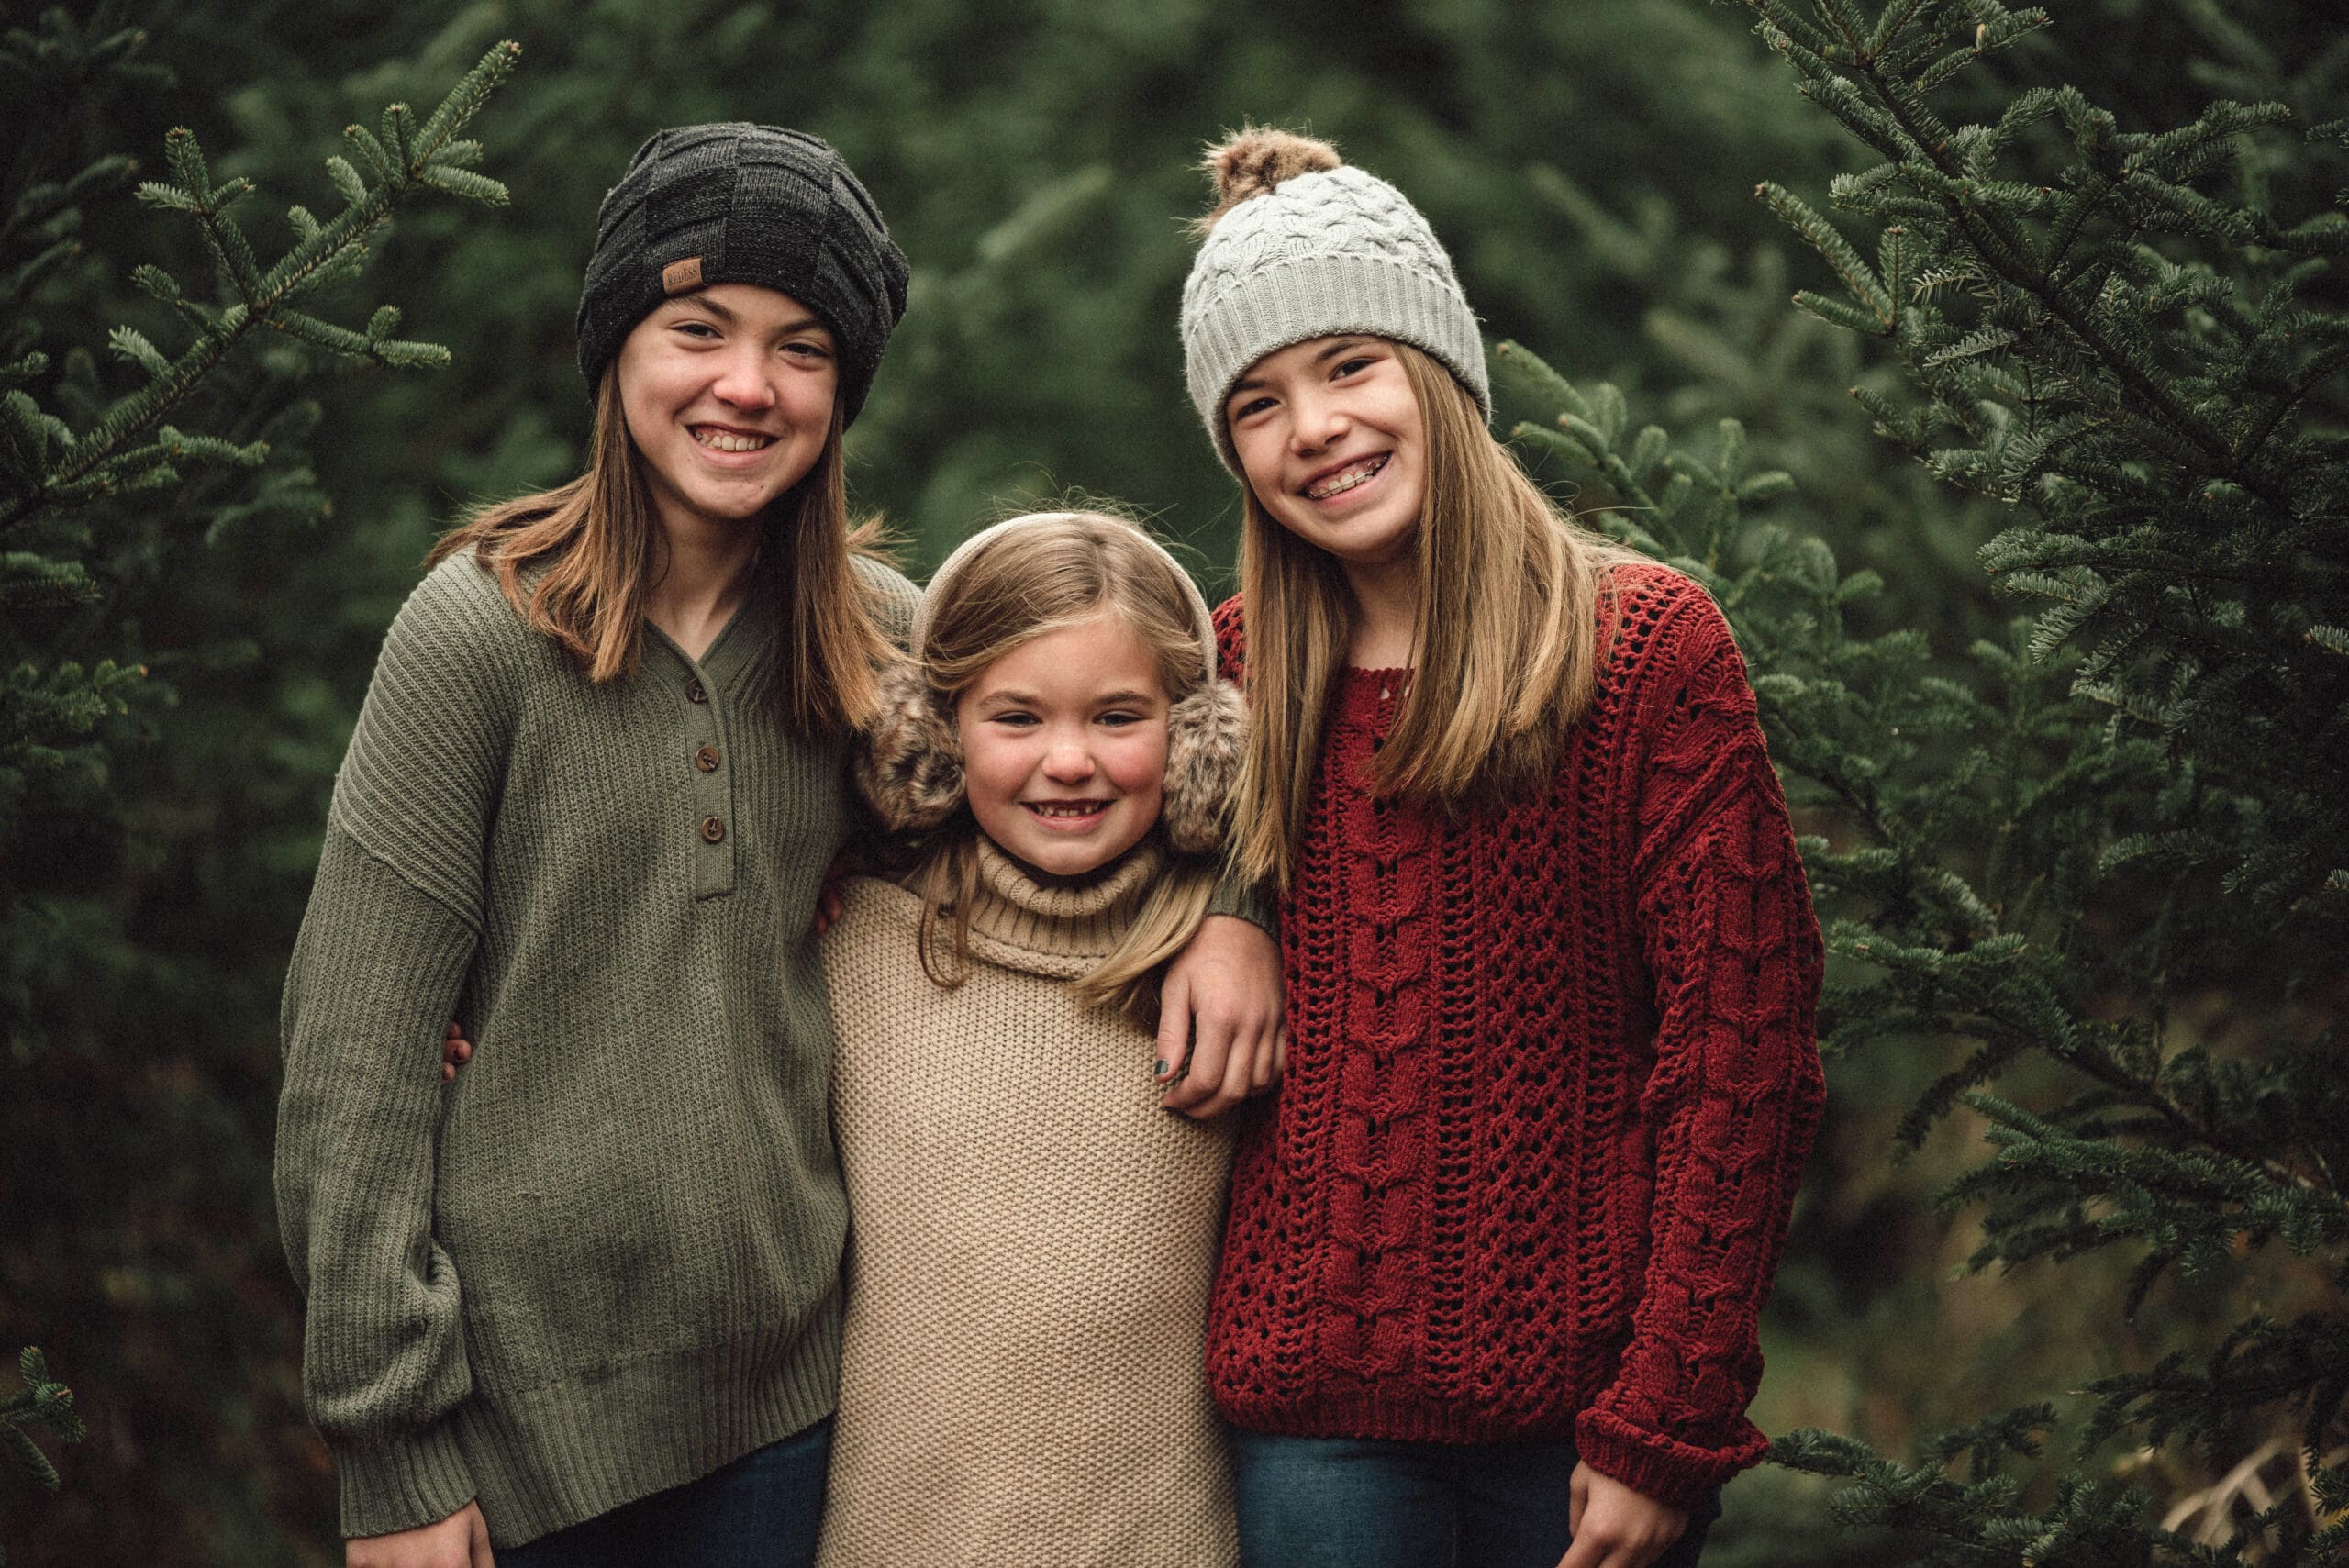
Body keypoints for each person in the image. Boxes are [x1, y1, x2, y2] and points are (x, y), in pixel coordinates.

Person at [275, 126, 1279, 1568]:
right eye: (698, 330)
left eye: (800, 347)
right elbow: (352, 1068)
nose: (745, 385)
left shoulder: (875, 644)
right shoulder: (478, 636)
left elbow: (1117, 730)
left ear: (841, 389)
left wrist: (1239, 907)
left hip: (784, 1420)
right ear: (619, 347)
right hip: (511, 1420)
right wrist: (391, 1448)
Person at [1175, 128, 1828, 1568]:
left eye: (1352, 366)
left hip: (1585, 1418)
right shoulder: (1234, 668)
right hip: (1314, 1421)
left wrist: (1668, 1415)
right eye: (1259, 404)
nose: (1316, 431)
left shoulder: (1645, 652)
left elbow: (1743, 1054)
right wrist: (1229, 903)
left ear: (1444, 371)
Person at [815, 508, 1247, 1566]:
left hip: (1172, 1538)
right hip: (893, 1535)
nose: (1067, 761)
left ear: (1195, 740)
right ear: (931, 731)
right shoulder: (850, 943)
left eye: (1116, 716)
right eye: (1015, 717)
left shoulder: (1231, 976)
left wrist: (1247, 915)